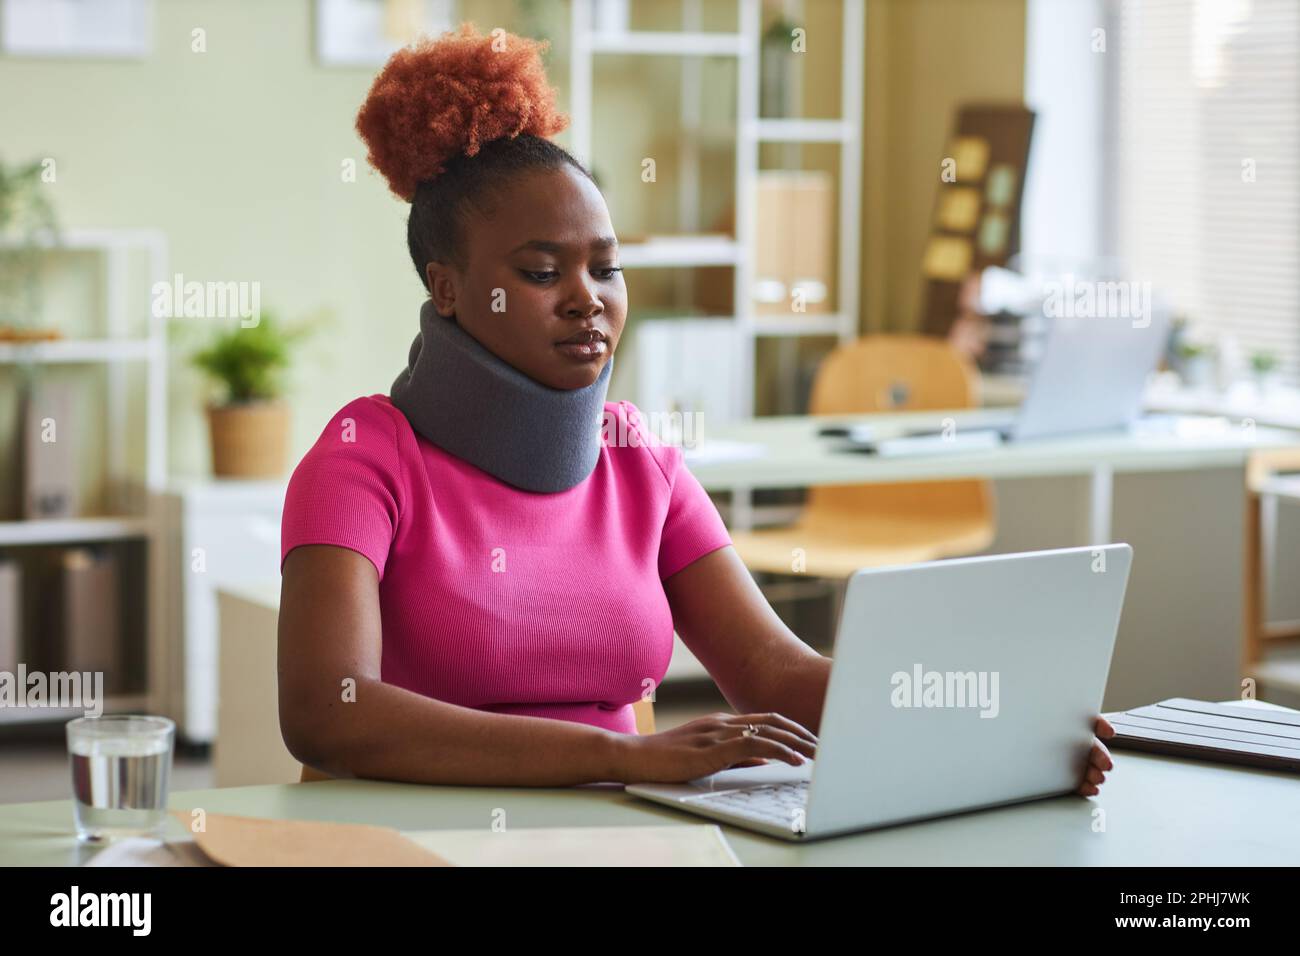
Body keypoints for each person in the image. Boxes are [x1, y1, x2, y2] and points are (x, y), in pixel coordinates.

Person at [277, 23, 1115, 795]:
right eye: (541, 274)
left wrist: (994, 725)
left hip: (621, 838)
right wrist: (621, 756)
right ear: (449, 290)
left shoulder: (637, 458)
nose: (588, 301)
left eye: (606, 269)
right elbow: (328, 711)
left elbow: (776, 674)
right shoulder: (363, 458)